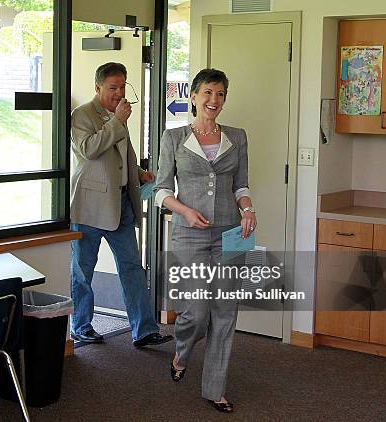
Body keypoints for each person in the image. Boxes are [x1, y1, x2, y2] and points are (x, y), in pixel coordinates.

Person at [154, 68, 256, 413]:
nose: (214, 100)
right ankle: (182, 352)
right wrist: (183, 211)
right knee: (196, 311)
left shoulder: (237, 137)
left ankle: (215, 389)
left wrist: (248, 209)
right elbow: (161, 190)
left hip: (232, 232)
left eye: (221, 94)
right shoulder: (174, 138)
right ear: (194, 96)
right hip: (190, 231)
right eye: (208, 93)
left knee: (225, 311)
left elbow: (241, 185)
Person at [70, 62, 173, 348]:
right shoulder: (81, 115)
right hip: (89, 207)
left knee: (131, 267)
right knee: (83, 270)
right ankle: (80, 326)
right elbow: (89, 149)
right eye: (113, 88)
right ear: (98, 87)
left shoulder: (118, 116)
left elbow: (122, 152)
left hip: (121, 205)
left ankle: (144, 329)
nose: (119, 93)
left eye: (122, 87)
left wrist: (139, 173)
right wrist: (117, 121)